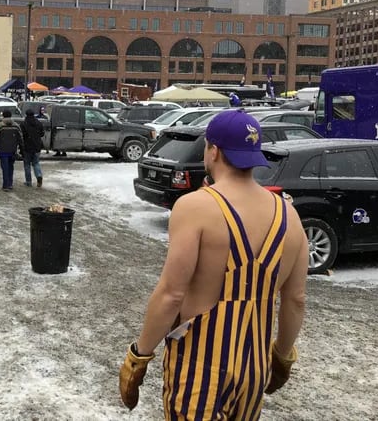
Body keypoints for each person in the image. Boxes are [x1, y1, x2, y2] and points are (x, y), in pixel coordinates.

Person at [119, 109, 308, 419]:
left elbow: (171, 294)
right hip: (254, 368)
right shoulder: (289, 215)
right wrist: (282, 358)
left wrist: (138, 356)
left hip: (200, 370)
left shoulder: (196, 206)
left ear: (214, 151)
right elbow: (296, 299)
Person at [0, 110, 25, 191]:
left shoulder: (0, 126)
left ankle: (5, 185)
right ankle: (10, 184)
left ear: (3, 116)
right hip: (13, 150)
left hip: (3, 150)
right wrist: (22, 149)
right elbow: (21, 138)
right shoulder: (16, 126)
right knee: (11, 167)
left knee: (5, 168)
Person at [20, 109, 44, 187]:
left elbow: (21, 135)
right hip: (37, 146)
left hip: (27, 146)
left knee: (27, 164)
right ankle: (39, 176)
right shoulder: (39, 123)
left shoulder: (23, 124)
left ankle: (28, 181)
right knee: (36, 163)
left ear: (26, 114)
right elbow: (42, 134)